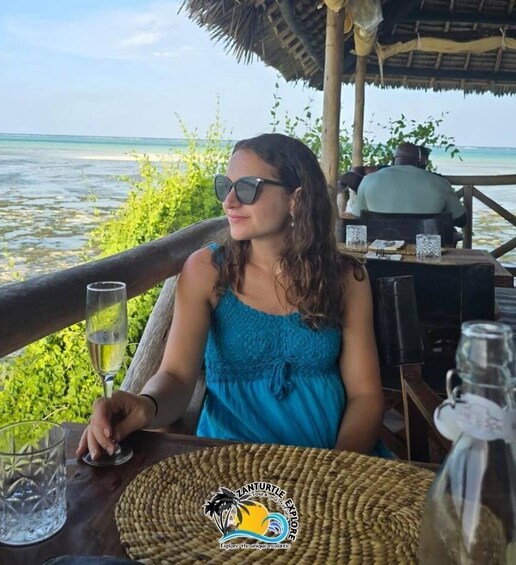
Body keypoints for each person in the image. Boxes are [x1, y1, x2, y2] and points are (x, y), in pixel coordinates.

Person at [77, 133, 390, 461]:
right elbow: (176, 376)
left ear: (295, 199)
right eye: (225, 187)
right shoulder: (207, 271)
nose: (229, 201)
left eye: (247, 188)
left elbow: (365, 395)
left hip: (327, 458)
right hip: (229, 461)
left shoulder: (345, 278)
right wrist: (146, 404)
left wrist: (336, 466)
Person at [347, 142, 467, 227]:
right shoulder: (440, 183)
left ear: (393, 160)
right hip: (425, 251)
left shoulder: (368, 180)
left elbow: (357, 216)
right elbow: (461, 220)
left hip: (379, 249)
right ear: (420, 162)